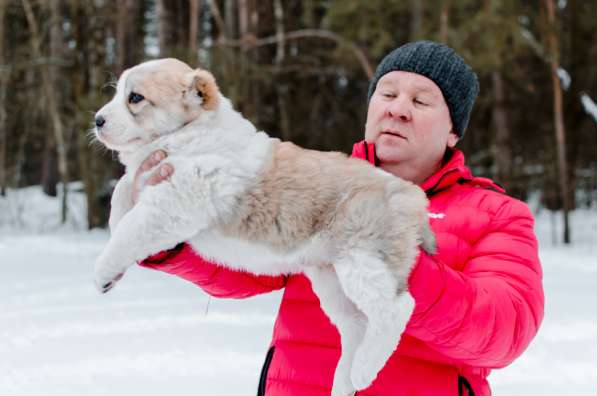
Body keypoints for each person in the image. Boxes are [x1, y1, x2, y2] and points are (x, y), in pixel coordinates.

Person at [134, 41, 544, 396]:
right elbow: (246, 265)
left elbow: (501, 332)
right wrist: (166, 233)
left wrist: (394, 260)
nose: (398, 109)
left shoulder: (496, 214)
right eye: (387, 94)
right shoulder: (318, 179)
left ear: (454, 131)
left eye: (420, 101)